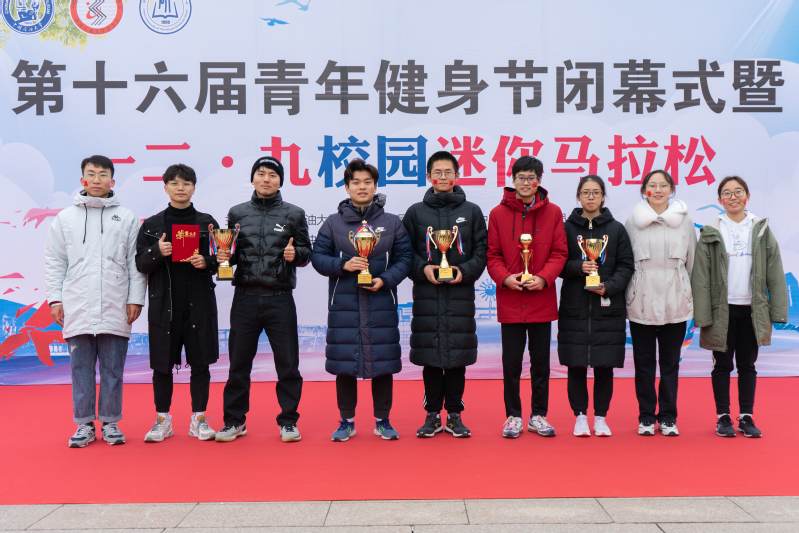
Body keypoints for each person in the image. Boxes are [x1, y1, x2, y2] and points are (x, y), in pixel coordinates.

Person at [45, 155, 146, 448]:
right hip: (76, 302)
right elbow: (55, 261)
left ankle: (111, 421)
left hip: (115, 301)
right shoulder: (65, 218)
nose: (97, 179)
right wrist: (55, 299)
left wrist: (135, 299)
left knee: (113, 367)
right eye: (91, 174)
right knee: (81, 368)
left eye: (103, 174)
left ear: (112, 181)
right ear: (82, 180)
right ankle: (84, 424)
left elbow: (135, 262)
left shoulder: (126, 217)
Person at [311, 159, 413, 441]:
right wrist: (343, 265)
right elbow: (318, 257)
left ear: (375, 186)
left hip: (381, 302)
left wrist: (385, 280)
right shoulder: (333, 223)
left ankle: (383, 420)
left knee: (382, 363)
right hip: (344, 306)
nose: (362, 187)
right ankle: (346, 421)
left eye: (367, 182)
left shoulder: (391, 222)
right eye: (355, 182)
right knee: (345, 364)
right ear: (347, 187)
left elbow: (405, 259)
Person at [215, 156, 311, 443]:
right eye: (261, 173)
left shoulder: (294, 213)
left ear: (280, 181)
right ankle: (234, 422)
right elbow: (231, 254)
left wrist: (297, 255)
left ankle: (288, 422)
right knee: (238, 366)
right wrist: (224, 256)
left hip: (280, 299)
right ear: (253, 178)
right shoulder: (237, 213)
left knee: (288, 365)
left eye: (272, 174)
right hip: (244, 298)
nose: (266, 179)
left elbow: (307, 253)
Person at [691, 176, 788, 438]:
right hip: (721, 310)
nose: (733, 197)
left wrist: (778, 311)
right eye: (727, 193)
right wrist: (703, 315)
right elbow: (700, 277)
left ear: (747, 196)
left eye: (738, 191)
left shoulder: (760, 229)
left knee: (747, 365)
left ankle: (746, 417)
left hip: (752, 309)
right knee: (721, 365)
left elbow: (774, 272)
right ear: (719, 200)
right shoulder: (711, 230)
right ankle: (722, 417)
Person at [402, 151, 487, 438]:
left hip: (460, 297)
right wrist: (423, 268)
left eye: (448, 172)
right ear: (428, 176)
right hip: (427, 296)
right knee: (430, 360)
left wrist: (464, 271)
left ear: (457, 176)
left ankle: (454, 415)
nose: (442, 176)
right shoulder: (415, 213)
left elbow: (482, 252)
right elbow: (405, 253)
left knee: (457, 360)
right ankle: (431, 415)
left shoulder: (472, 211)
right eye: (437, 172)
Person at [135, 164, 221, 443]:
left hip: (199, 305)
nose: (180, 187)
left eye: (185, 183)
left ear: (194, 188)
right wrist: (157, 251)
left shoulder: (207, 223)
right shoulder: (151, 225)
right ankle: (162, 419)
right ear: (166, 188)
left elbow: (224, 259)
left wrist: (207, 261)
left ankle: (199, 418)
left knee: (201, 365)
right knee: (161, 366)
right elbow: (140, 264)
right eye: (174, 183)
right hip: (164, 308)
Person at [486, 156, 567, 439]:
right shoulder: (497, 214)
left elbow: (560, 252)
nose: (526, 182)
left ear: (540, 180)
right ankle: (513, 416)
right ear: (513, 180)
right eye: (521, 177)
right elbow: (492, 255)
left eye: (531, 178)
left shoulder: (553, 212)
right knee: (511, 363)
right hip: (511, 299)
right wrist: (505, 278)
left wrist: (543, 277)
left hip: (540, 299)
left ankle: (538, 415)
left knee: (541, 363)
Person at [558, 176, 633, 437]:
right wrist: (578, 267)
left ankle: (600, 417)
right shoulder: (565, 228)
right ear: (578, 196)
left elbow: (626, 266)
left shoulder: (616, 229)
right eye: (586, 192)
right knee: (575, 365)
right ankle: (580, 416)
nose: (591, 197)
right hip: (575, 307)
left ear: (603, 196)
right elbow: (556, 264)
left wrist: (608, 286)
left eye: (596, 192)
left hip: (607, 308)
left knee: (604, 366)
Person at [625, 170, 696, 437]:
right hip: (641, 301)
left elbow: (692, 262)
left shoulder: (684, 220)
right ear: (644, 190)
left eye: (663, 185)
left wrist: (688, 295)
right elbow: (625, 262)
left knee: (670, 364)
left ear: (671, 189)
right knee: (643, 364)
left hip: (675, 301)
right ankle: (645, 416)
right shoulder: (633, 221)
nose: (657, 190)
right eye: (652, 185)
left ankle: (667, 417)